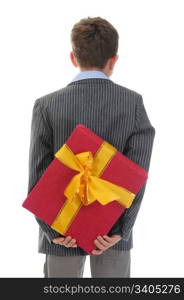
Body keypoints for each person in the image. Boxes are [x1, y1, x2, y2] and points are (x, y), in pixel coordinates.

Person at [27, 16, 156, 278]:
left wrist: (52, 232)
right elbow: (137, 177)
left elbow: (37, 177)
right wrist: (121, 230)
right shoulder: (132, 104)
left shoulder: (47, 106)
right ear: (114, 60)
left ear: (73, 58)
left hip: (61, 231)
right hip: (112, 235)